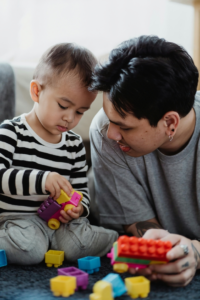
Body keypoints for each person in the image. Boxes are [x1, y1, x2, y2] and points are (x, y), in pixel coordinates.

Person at [89, 35, 200, 286]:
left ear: (170, 122)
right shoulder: (104, 132)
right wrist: (157, 243)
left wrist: (194, 251)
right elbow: (139, 224)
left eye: (123, 126)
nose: (111, 133)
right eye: (110, 120)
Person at [0, 43, 118, 265]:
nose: (70, 118)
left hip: (61, 223)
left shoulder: (73, 144)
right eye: (63, 106)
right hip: (19, 220)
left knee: (78, 245)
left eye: (80, 112)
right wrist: (42, 180)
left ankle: (120, 240)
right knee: (30, 249)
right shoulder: (11, 131)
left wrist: (78, 207)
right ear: (37, 91)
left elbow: (81, 189)